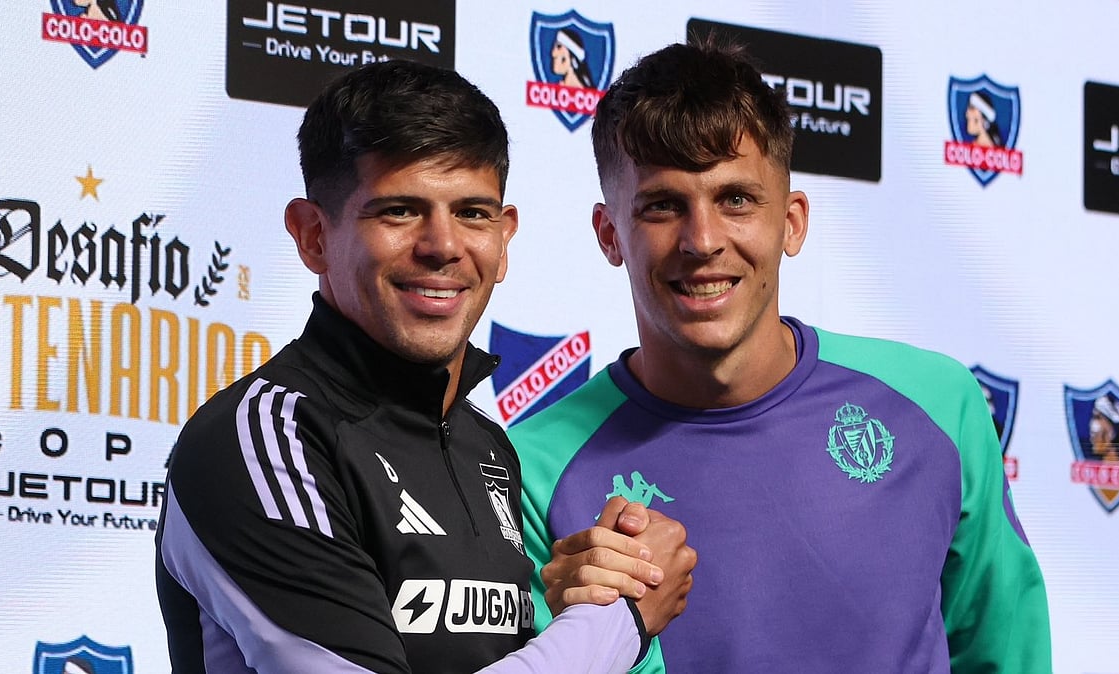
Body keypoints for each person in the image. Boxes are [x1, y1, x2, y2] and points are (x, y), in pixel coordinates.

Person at [511, 39, 1052, 673]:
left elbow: (1005, 654)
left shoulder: (936, 404)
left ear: (792, 222)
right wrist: (609, 634)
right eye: (663, 205)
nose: (703, 241)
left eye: (736, 199)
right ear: (610, 235)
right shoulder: (532, 471)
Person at [155, 59, 693, 673]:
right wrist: (618, 619)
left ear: (504, 235)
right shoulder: (260, 440)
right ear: (312, 236)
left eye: (472, 213)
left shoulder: (486, 445)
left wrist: (590, 593)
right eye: (399, 211)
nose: (442, 246)